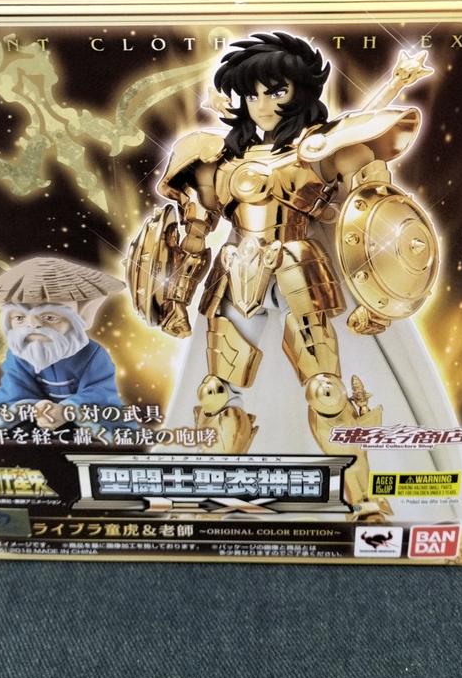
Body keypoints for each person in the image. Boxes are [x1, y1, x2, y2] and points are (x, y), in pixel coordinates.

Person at [127, 31, 436, 515]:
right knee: (216, 392)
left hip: (300, 269)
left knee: (326, 391)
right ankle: (213, 489)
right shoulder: (215, 158)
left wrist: (379, 301)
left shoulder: (323, 148)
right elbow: (194, 235)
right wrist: (175, 300)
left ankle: (364, 497)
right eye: (251, 93)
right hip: (235, 271)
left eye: (276, 91)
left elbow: (375, 219)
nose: (263, 104)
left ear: (301, 93)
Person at [0, 256, 123, 429]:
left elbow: (100, 392)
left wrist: (66, 410)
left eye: (49, 317)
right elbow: (14, 389)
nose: (33, 325)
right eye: (20, 318)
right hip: (35, 420)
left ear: (82, 317)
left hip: (82, 422)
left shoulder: (93, 355)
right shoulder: (19, 354)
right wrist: (38, 408)